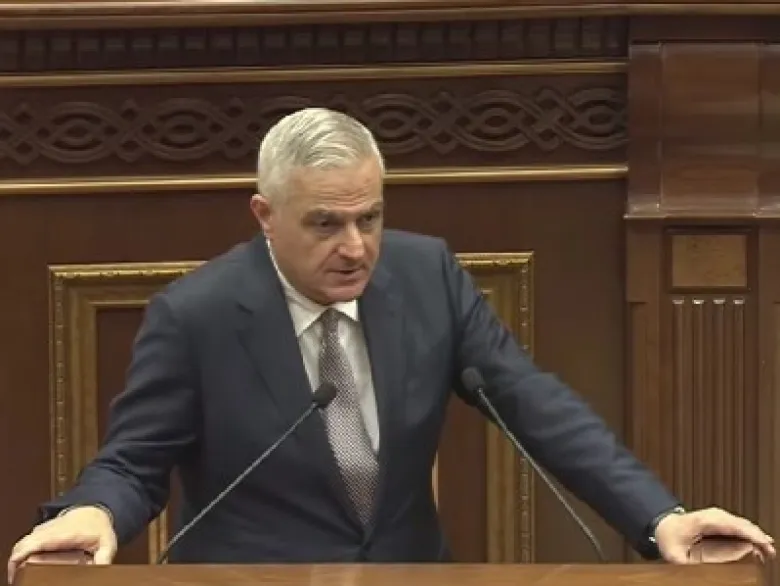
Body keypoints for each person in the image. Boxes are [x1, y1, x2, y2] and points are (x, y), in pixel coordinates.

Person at [7, 108, 775, 583]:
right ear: (265, 215)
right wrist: (94, 513)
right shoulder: (195, 316)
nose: (355, 247)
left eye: (369, 218)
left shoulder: (427, 276)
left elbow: (534, 404)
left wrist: (660, 517)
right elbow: (134, 462)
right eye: (325, 224)